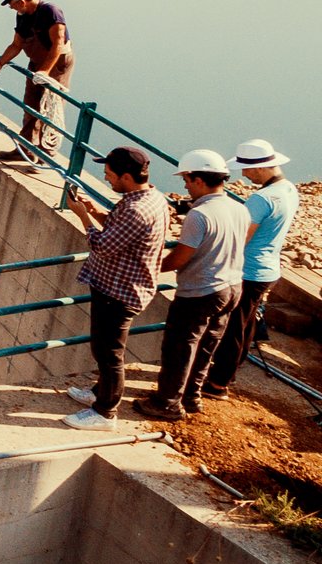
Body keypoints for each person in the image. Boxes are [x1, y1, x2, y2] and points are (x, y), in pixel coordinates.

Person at [133, 149, 250, 421]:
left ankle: (167, 403)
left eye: (187, 178)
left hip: (201, 292)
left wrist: (149, 265)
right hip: (232, 287)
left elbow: (179, 258)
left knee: (180, 347)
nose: (184, 184)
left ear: (199, 180)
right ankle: (191, 397)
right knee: (207, 345)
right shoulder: (238, 207)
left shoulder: (200, 216)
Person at [62, 146, 169, 431]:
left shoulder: (135, 209)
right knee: (104, 348)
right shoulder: (149, 198)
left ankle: (105, 412)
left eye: (109, 174)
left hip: (120, 292)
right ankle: (99, 393)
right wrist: (96, 212)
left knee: (109, 353)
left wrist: (82, 216)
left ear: (126, 176)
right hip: (118, 287)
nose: (106, 177)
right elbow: (118, 231)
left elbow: (103, 245)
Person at [205, 139, 301, 398]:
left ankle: (217, 383)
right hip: (268, 268)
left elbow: (240, 237)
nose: (245, 176)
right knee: (246, 326)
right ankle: (227, 375)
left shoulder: (261, 198)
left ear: (261, 168)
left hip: (248, 271)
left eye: (246, 170)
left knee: (233, 328)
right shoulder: (288, 189)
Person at [0, 0, 74, 163]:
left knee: (49, 107)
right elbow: (16, 44)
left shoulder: (51, 12)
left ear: (22, 2)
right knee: (31, 104)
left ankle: (44, 155)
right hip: (36, 62)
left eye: (12, 5)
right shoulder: (23, 16)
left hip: (56, 64)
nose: (11, 8)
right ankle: (24, 148)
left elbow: (57, 45)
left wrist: (44, 72)